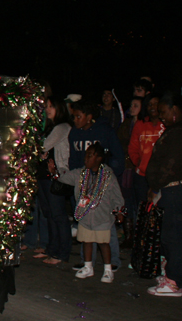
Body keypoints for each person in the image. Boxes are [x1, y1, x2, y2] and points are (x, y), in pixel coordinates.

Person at [145, 91, 182, 297]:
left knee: (172, 237)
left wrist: (156, 185)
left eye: (163, 112)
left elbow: (171, 165)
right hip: (172, 189)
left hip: (175, 189)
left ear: (175, 110)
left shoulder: (181, 133)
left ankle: (174, 282)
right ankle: (174, 274)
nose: (161, 116)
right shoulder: (178, 130)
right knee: (170, 235)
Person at [50, 143, 124, 283]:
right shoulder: (80, 173)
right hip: (85, 216)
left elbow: (117, 196)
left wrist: (119, 210)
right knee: (87, 241)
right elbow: (64, 177)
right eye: (86, 155)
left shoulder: (108, 176)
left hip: (102, 217)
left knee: (103, 243)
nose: (86, 159)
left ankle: (108, 270)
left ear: (99, 158)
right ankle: (88, 266)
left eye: (90, 156)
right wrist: (55, 172)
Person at [68, 99, 125, 270]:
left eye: (78, 116)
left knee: (105, 222)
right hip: (84, 183)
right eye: (74, 117)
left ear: (89, 117)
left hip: (102, 183)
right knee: (84, 220)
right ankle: (87, 261)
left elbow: (118, 155)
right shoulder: (74, 134)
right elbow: (73, 159)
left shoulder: (104, 131)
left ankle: (113, 260)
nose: (75, 120)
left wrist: (111, 174)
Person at [39, 97, 72, 265]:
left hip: (56, 175)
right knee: (50, 214)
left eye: (51, 106)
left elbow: (43, 145)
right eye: (47, 106)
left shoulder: (62, 127)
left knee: (58, 215)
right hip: (44, 175)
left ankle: (62, 253)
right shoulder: (51, 127)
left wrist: (40, 150)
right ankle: (52, 249)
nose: (47, 109)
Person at [128, 95, 165, 224]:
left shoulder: (166, 123)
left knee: (160, 212)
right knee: (143, 211)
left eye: (155, 103)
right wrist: (138, 161)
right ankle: (143, 240)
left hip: (161, 176)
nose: (152, 107)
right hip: (142, 176)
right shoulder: (140, 124)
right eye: (149, 104)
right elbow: (132, 147)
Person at [117, 96, 144, 246]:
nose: (132, 108)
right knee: (126, 200)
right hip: (127, 166)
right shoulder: (126, 125)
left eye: (136, 105)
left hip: (140, 168)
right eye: (131, 105)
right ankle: (129, 235)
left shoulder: (145, 125)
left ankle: (139, 234)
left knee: (138, 202)